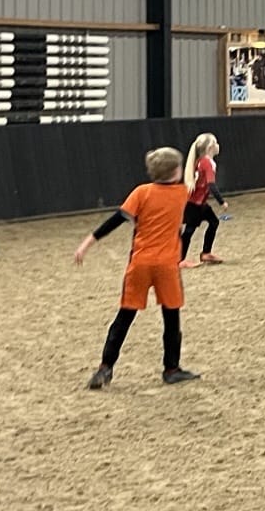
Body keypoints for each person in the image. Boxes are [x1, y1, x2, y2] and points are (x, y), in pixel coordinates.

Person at [75, 146, 199, 389]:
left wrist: (87, 243)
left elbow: (115, 220)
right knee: (171, 318)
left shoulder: (141, 192)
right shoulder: (181, 192)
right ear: (176, 171)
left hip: (140, 263)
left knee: (124, 316)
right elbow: (190, 176)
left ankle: (105, 368)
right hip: (167, 266)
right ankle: (171, 369)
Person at [179, 132, 228, 269]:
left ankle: (206, 253)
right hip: (194, 203)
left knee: (214, 222)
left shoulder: (201, 161)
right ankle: (179, 259)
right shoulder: (207, 163)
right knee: (189, 230)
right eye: (216, 143)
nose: (218, 145)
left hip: (199, 203)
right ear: (210, 147)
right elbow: (211, 185)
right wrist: (221, 202)